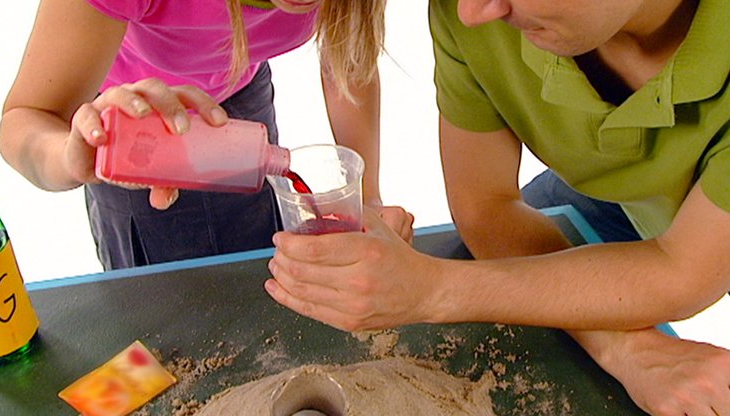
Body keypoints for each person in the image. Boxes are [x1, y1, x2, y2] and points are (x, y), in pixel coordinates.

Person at [264, 0, 730, 414]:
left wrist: (432, 291)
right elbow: (486, 207)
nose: (472, 12)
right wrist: (624, 348)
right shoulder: (471, 11)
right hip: (612, 193)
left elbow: (682, 269)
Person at [0, 0, 414, 270]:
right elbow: (25, 119)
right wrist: (72, 156)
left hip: (241, 89)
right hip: (131, 129)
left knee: (257, 273)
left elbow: (348, 61)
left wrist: (369, 197)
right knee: (167, 314)